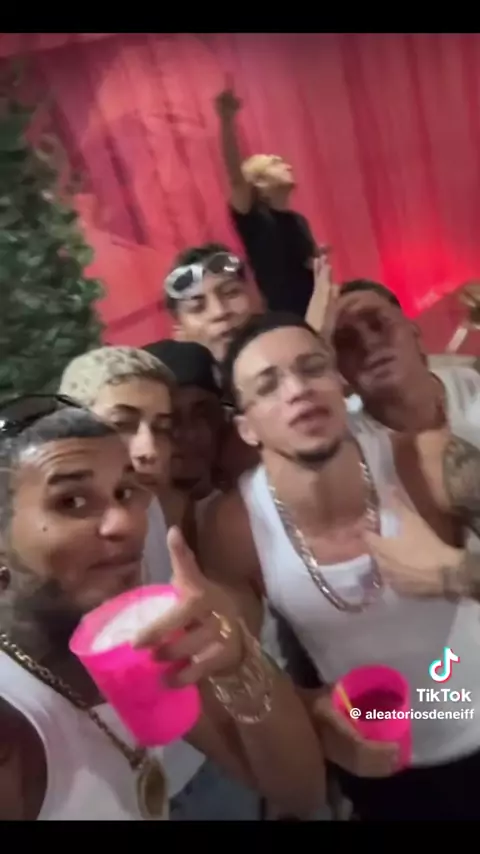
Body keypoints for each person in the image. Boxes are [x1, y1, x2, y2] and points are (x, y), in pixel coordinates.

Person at [199, 311, 480, 820]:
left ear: (339, 384)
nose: (298, 389)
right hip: (380, 771)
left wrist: (452, 571)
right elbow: (237, 675)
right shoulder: (235, 528)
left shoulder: (427, 461)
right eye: (268, 385)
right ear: (246, 428)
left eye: (312, 368)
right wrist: (310, 707)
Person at [0, 398, 325, 820]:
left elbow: (300, 793)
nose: (125, 523)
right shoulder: (12, 728)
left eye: (125, 492)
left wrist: (240, 660)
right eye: (72, 502)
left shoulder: (132, 643)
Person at [57, 345, 271, 819]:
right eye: (122, 423)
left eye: (162, 427)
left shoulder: (157, 511)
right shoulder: (42, 551)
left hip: (199, 770)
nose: (148, 449)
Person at [215, 84, 321, 317]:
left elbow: (309, 267)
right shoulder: (253, 217)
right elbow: (235, 175)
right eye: (275, 163)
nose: (287, 165)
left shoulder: (298, 221)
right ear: (258, 184)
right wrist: (227, 120)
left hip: (317, 312)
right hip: (286, 318)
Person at [331, 279, 480, 435]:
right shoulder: (347, 440)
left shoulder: (473, 381)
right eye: (346, 340)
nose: (368, 343)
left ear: (413, 330)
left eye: (378, 324)